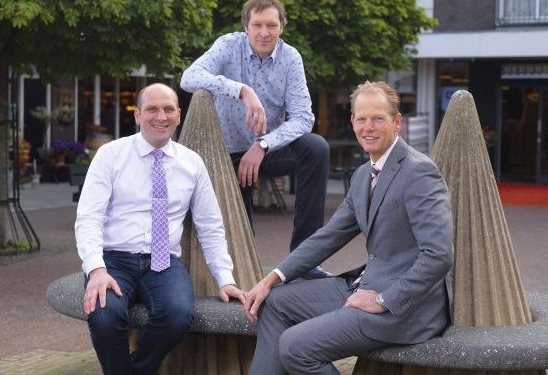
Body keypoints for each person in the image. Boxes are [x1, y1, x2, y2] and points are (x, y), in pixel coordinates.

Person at [243, 81, 454, 374]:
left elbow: (439, 255)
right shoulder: (362, 175)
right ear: (352, 121)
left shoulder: (419, 172)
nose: (368, 127)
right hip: (362, 286)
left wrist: (383, 300)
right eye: (361, 118)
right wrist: (272, 278)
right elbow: (328, 236)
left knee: (295, 346)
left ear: (396, 123)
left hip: (404, 309)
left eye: (378, 118)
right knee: (275, 301)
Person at [75, 83, 245, 375]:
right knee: (104, 315)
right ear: (138, 115)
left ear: (179, 115)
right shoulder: (111, 155)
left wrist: (224, 278)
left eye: (168, 109)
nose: (161, 116)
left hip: (163, 262)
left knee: (177, 314)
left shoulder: (192, 163)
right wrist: (96, 270)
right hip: (114, 259)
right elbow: (88, 217)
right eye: (152, 109)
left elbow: (211, 225)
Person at [180, 0, 331, 279]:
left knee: (316, 149)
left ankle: (305, 259)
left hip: (265, 149)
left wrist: (263, 144)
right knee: (240, 243)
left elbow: (303, 118)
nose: (264, 32)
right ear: (246, 27)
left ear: (281, 27)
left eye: (272, 25)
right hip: (225, 154)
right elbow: (189, 77)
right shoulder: (228, 45)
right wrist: (242, 90)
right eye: (257, 25)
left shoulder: (290, 58)